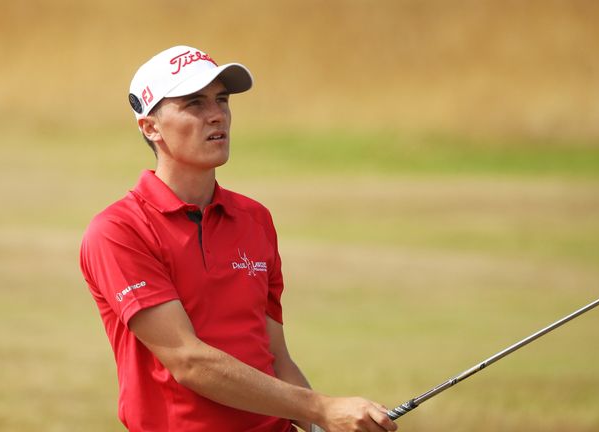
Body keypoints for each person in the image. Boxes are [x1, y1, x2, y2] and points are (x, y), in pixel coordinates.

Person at [79, 45, 399, 432]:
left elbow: (275, 358)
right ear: (150, 127)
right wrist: (321, 408)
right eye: (194, 103)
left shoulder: (254, 219)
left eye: (222, 99)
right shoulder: (118, 231)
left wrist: (319, 425)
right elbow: (188, 361)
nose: (217, 115)